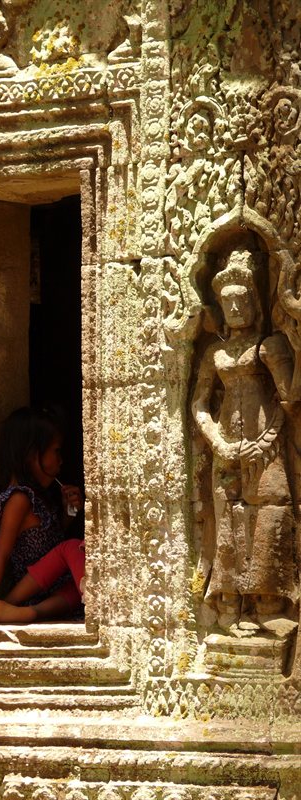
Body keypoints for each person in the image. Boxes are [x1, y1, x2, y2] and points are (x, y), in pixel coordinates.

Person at [192, 249, 298, 637]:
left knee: (271, 514)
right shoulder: (214, 352)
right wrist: (217, 441)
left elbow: (288, 400)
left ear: (255, 302)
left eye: (242, 300)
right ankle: (231, 604)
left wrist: (286, 356)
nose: (235, 308)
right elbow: (199, 403)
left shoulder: (268, 346)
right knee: (229, 526)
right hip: (227, 450)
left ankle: (268, 603)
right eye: (227, 302)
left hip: (265, 448)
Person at [0, 407, 84, 626]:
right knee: (74, 547)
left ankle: (31, 613)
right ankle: (4, 605)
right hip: (31, 586)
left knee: (77, 582)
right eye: (56, 451)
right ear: (33, 454)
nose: (61, 460)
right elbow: (1, 555)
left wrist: (68, 513)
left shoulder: (39, 496)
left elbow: (50, 543)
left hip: (52, 589)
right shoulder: (19, 499)